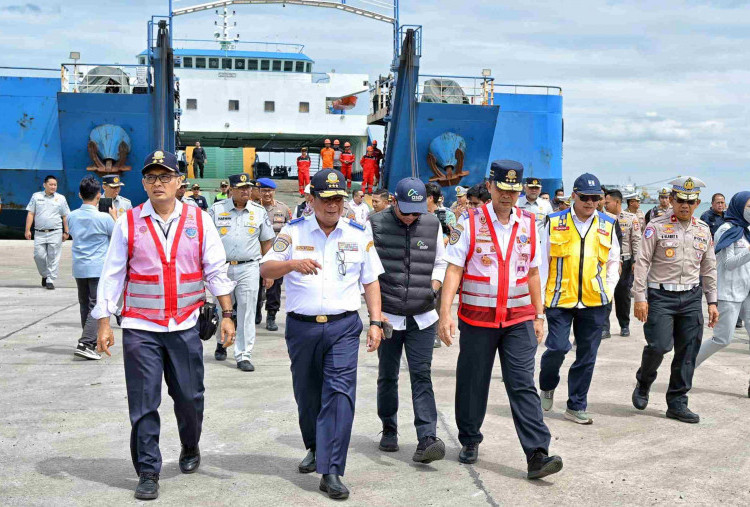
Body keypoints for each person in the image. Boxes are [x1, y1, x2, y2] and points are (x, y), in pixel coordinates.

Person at [92, 150, 236, 500]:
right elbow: (113, 273)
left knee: (189, 397)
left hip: (185, 326)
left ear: (178, 182)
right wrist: (104, 322)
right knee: (143, 402)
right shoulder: (129, 221)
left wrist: (228, 315)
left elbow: (216, 270)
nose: (158, 183)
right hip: (141, 327)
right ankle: (148, 470)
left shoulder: (199, 220)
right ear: (143, 183)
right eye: (151, 178)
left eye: (165, 177)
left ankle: (190, 444)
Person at [259, 168, 385, 500]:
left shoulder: (358, 233)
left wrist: (375, 320)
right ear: (311, 199)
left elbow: (371, 280)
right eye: (326, 199)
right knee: (308, 395)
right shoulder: (293, 231)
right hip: (302, 328)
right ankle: (315, 447)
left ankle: (331, 470)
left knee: (340, 395)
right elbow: (266, 268)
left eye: (339, 199)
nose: (333, 206)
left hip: (344, 326)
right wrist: (290, 264)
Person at [439, 160, 563, 479]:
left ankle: (537, 453)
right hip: (478, 319)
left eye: (513, 189)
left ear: (519, 190)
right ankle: (469, 439)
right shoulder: (469, 221)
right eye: (502, 188)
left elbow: (534, 272)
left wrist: (539, 314)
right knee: (473, 381)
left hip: (518, 319)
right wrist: (445, 313)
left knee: (522, 383)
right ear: (491, 186)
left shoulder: (529, 224)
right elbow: (454, 268)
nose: (508, 195)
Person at [369, 177, 447, 463]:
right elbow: (365, 271)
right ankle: (389, 428)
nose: (412, 216)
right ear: (393, 202)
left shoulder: (432, 224)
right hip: (388, 317)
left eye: (417, 210)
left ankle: (427, 437)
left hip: (423, 317)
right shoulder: (374, 224)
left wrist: (433, 288)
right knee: (388, 375)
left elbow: (441, 262)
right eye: (406, 211)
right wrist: (374, 315)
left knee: (421, 374)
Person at [631, 176, 718, 424]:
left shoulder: (703, 229)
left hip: (691, 296)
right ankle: (644, 381)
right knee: (659, 346)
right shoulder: (656, 226)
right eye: (680, 200)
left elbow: (709, 267)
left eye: (690, 202)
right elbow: (642, 263)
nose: (685, 206)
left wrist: (712, 301)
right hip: (660, 296)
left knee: (688, 351)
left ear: (697, 202)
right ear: (671, 200)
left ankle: (677, 402)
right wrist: (640, 297)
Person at [538, 173, 620, 425]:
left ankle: (576, 405)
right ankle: (548, 384)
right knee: (558, 347)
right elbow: (542, 263)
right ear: (574, 195)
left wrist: (607, 289)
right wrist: (538, 302)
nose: (590, 202)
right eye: (585, 197)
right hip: (560, 299)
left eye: (595, 198)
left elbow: (615, 261)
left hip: (594, 302)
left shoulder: (608, 223)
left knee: (587, 355)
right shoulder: (553, 221)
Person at [209, 173, 275, 371]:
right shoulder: (216, 210)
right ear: (231, 189)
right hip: (222, 268)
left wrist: (268, 271)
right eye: (241, 188)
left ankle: (243, 354)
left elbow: (266, 242)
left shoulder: (258, 211)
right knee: (221, 310)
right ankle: (222, 342)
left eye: (248, 187)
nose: (246, 191)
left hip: (249, 267)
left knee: (247, 311)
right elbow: (207, 241)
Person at [695, 191, 750, 376]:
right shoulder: (726, 230)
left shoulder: (747, 230)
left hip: (748, 292)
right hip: (730, 292)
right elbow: (729, 263)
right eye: (749, 206)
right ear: (739, 207)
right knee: (722, 339)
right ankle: (686, 368)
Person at [68, 176, 117, 360]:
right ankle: (86, 342)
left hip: (79, 266)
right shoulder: (103, 218)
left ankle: (89, 340)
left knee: (84, 304)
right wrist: (115, 219)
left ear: (80, 195)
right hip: (97, 267)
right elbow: (117, 238)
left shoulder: (72, 216)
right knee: (96, 305)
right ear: (99, 195)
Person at [257, 177, 291, 331]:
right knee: (255, 287)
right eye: (264, 190)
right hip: (255, 256)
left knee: (275, 288)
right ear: (258, 192)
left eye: (269, 190)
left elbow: (290, 231)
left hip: (276, 256)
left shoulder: (283, 209)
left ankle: (271, 315)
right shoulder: (252, 208)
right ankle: (256, 312)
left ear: (274, 191)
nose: (267, 194)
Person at [604, 190, 640, 337]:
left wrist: (636, 261)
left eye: (607, 202)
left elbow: (636, 241)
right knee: (606, 295)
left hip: (625, 262)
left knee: (623, 295)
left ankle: (624, 325)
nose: (605, 205)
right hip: (608, 262)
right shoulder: (603, 218)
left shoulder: (632, 219)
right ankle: (604, 328)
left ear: (617, 202)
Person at [25, 175, 70, 290]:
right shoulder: (36, 197)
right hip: (39, 233)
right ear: (44, 185)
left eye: (55, 185)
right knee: (38, 256)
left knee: (53, 256)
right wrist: (27, 229)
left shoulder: (61, 198)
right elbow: (31, 213)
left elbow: (65, 216)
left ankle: (50, 279)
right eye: (51, 184)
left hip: (55, 232)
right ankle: (45, 274)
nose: (53, 187)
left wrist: (66, 231)